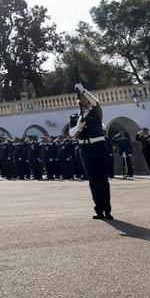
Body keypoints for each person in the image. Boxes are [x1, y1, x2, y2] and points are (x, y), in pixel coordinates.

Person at [68, 83, 112, 219]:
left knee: (103, 180)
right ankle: (98, 209)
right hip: (85, 149)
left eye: (86, 98)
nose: (84, 100)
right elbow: (71, 134)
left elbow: (96, 102)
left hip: (99, 147)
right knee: (92, 181)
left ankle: (107, 210)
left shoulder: (96, 112)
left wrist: (83, 90)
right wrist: (78, 127)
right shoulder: (74, 117)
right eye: (82, 98)